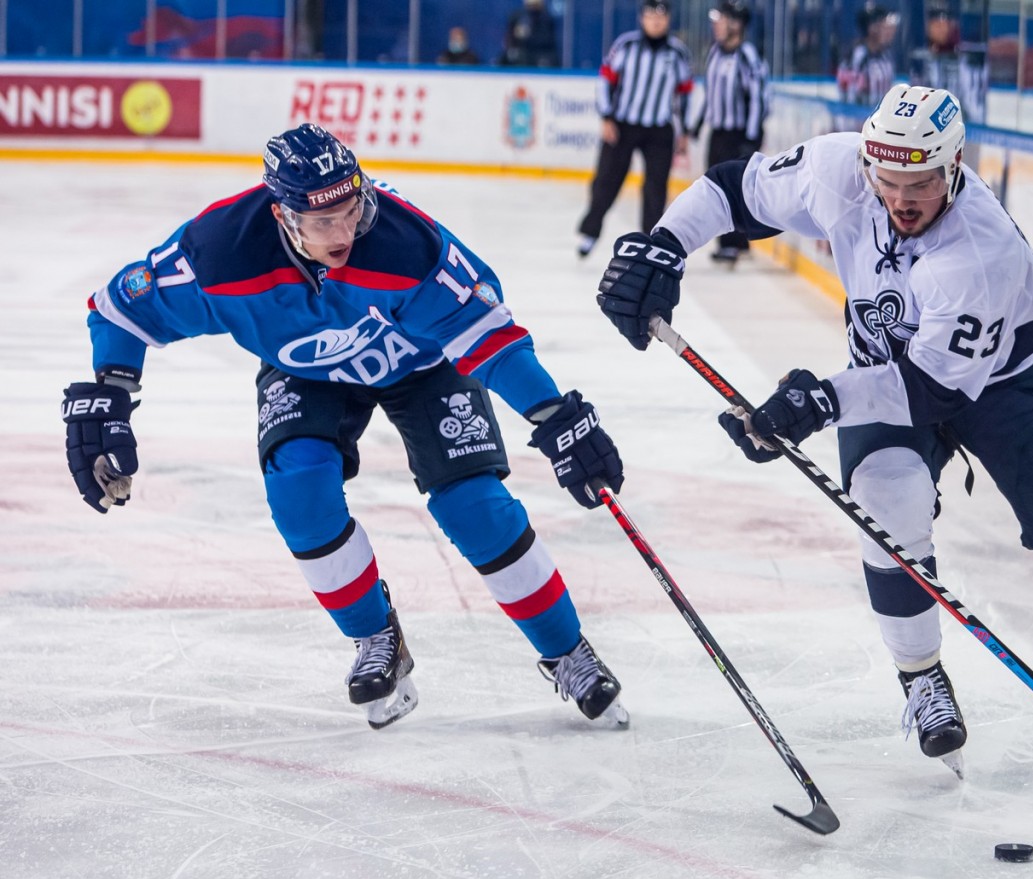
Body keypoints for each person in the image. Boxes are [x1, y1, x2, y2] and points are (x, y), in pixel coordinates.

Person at [594, 84, 1033, 774]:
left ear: (955, 166)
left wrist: (818, 402)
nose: (900, 198)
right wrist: (664, 246)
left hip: (1007, 385)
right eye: (888, 179)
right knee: (889, 503)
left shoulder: (980, 251)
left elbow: (930, 391)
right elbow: (734, 190)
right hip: (887, 369)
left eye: (919, 183)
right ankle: (921, 679)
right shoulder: (840, 169)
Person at [61, 123, 629, 732]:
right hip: (304, 373)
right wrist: (109, 393)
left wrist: (556, 417)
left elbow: (491, 338)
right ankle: (376, 637)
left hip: (423, 367)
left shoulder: (408, 246)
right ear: (282, 215)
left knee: (476, 506)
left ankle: (568, 649)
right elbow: (122, 308)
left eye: (351, 210)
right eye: (323, 222)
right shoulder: (219, 251)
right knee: (299, 491)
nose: (345, 234)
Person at [575, 0, 693, 258]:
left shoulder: (678, 53)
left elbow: (684, 95)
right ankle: (591, 232)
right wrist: (606, 117)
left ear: (668, 20)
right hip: (623, 125)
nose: (656, 20)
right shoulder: (625, 46)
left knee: (655, 188)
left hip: (659, 129)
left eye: (661, 16)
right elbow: (605, 81)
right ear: (642, 18)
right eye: (650, 15)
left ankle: (650, 242)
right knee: (606, 180)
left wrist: (684, 131)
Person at [687, 0, 769, 266]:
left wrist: (751, 138)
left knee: (735, 188)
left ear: (736, 23)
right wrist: (699, 123)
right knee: (717, 186)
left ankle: (734, 244)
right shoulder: (715, 53)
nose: (716, 25)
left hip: (740, 133)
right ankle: (731, 242)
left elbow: (758, 98)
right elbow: (711, 94)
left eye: (721, 19)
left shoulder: (747, 55)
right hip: (719, 132)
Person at [836, 5, 900, 107]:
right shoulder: (857, 56)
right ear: (872, 28)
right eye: (885, 26)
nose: (891, 31)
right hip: (860, 120)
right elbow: (849, 98)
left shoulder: (886, 55)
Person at [500, 0, 560, 69]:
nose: (533, 8)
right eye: (531, 5)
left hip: (539, 54)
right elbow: (510, 37)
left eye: (535, 5)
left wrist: (528, 35)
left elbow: (547, 41)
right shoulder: (517, 17)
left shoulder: (546, 20)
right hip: (521, 53)